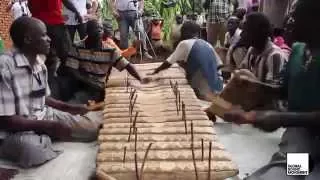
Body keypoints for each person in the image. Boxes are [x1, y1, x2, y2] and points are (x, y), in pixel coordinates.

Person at [224, 0, 320, 179]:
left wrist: (277, 117)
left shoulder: (277, 54)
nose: (288, 21)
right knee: (282, 172)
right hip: (301, 140)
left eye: (296, 16)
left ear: (316, 21)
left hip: (309, 140)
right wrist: (254, 87)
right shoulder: (298, 51)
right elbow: (284, 90)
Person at [0, 17, 100, 168]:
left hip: (44, 115)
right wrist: (49, 126)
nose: (49, 39)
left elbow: (43, 98)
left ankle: (47, 136)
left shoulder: (40, 63)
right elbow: (6, 121)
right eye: (44, 35)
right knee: (32, 152)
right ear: (28, 39)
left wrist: (70, 108)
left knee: (91, 130)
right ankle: (44, 137)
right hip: (14, 130)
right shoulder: (5, 67)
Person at [62, 20, 150, 103]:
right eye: (95, 29)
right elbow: (72, 71)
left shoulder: (110, 51)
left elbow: (127, 65)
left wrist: (141, 79)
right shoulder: (77, 47)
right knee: (65, 87)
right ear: (87, 32)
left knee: (77, 101)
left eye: (100, 29)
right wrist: (91, 82)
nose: (99, 31)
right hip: (81, 83)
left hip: (94, 89)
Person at [148, 21, 223, 100]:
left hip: (203, 85)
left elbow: (168, 62)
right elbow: (219, 65)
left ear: (184, 32)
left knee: (200, 97)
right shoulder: (206, 43)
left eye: (182, 31)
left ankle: (203, 93)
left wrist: (156, 71)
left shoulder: (184, 43)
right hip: (217, 82)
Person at [28, 0, 82, 91]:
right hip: (55, 23)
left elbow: (30, 6)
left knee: (48, 57)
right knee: (68, 56)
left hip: (38, 25)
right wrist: (76, 12)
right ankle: (67, 85)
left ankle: (47, 85)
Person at [239, 13, 288, 84]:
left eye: (245, 31)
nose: (241, 34)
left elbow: (272, 92)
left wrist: (251, 79)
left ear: (256, 32)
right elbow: (241, 71)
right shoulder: (252, 50)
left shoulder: (274, 55)